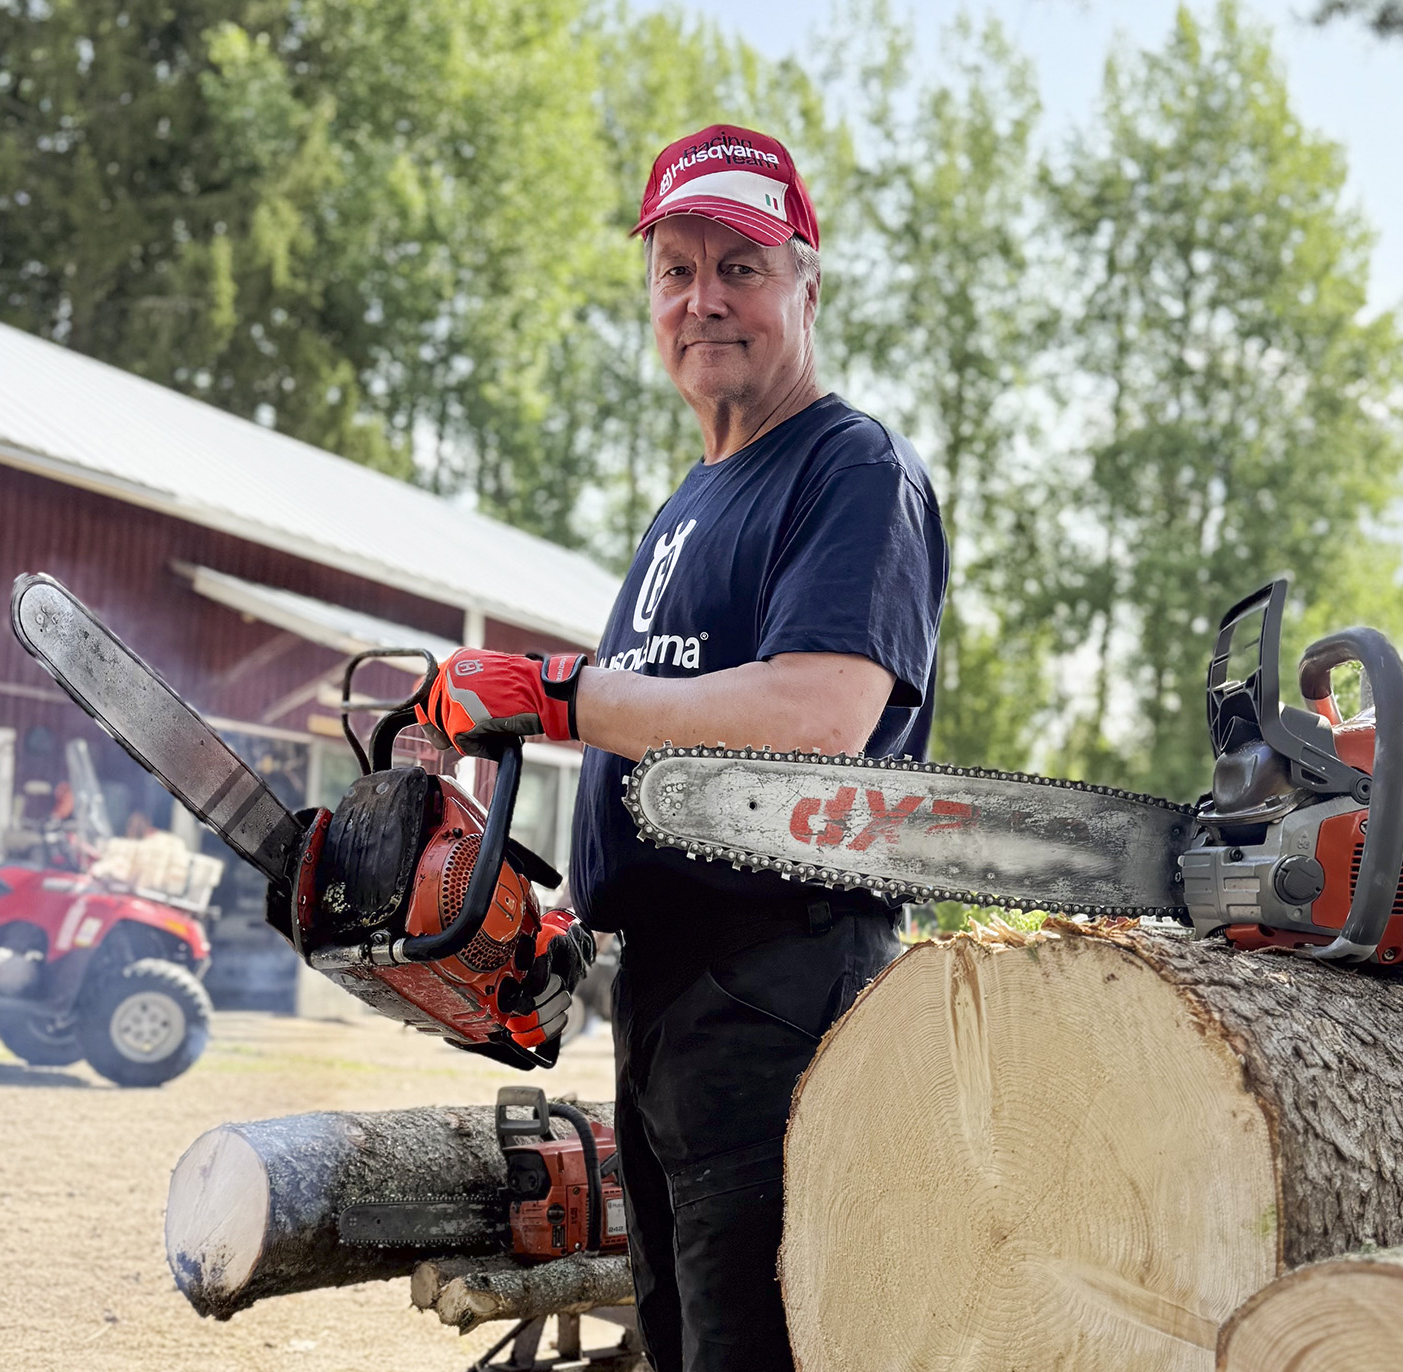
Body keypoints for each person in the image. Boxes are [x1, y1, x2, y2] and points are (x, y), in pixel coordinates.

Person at [421, 123, 949, 1372]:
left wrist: (555, 693)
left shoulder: (849, 467)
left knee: (751, 1344)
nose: (703, 298)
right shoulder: (691, 499)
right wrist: (562, 918)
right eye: (675, 271)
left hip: (778, 980)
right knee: (677, 1338)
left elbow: (819, 712)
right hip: (667, 992)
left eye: (740, 267)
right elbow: (652, 728)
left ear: (806, 286)